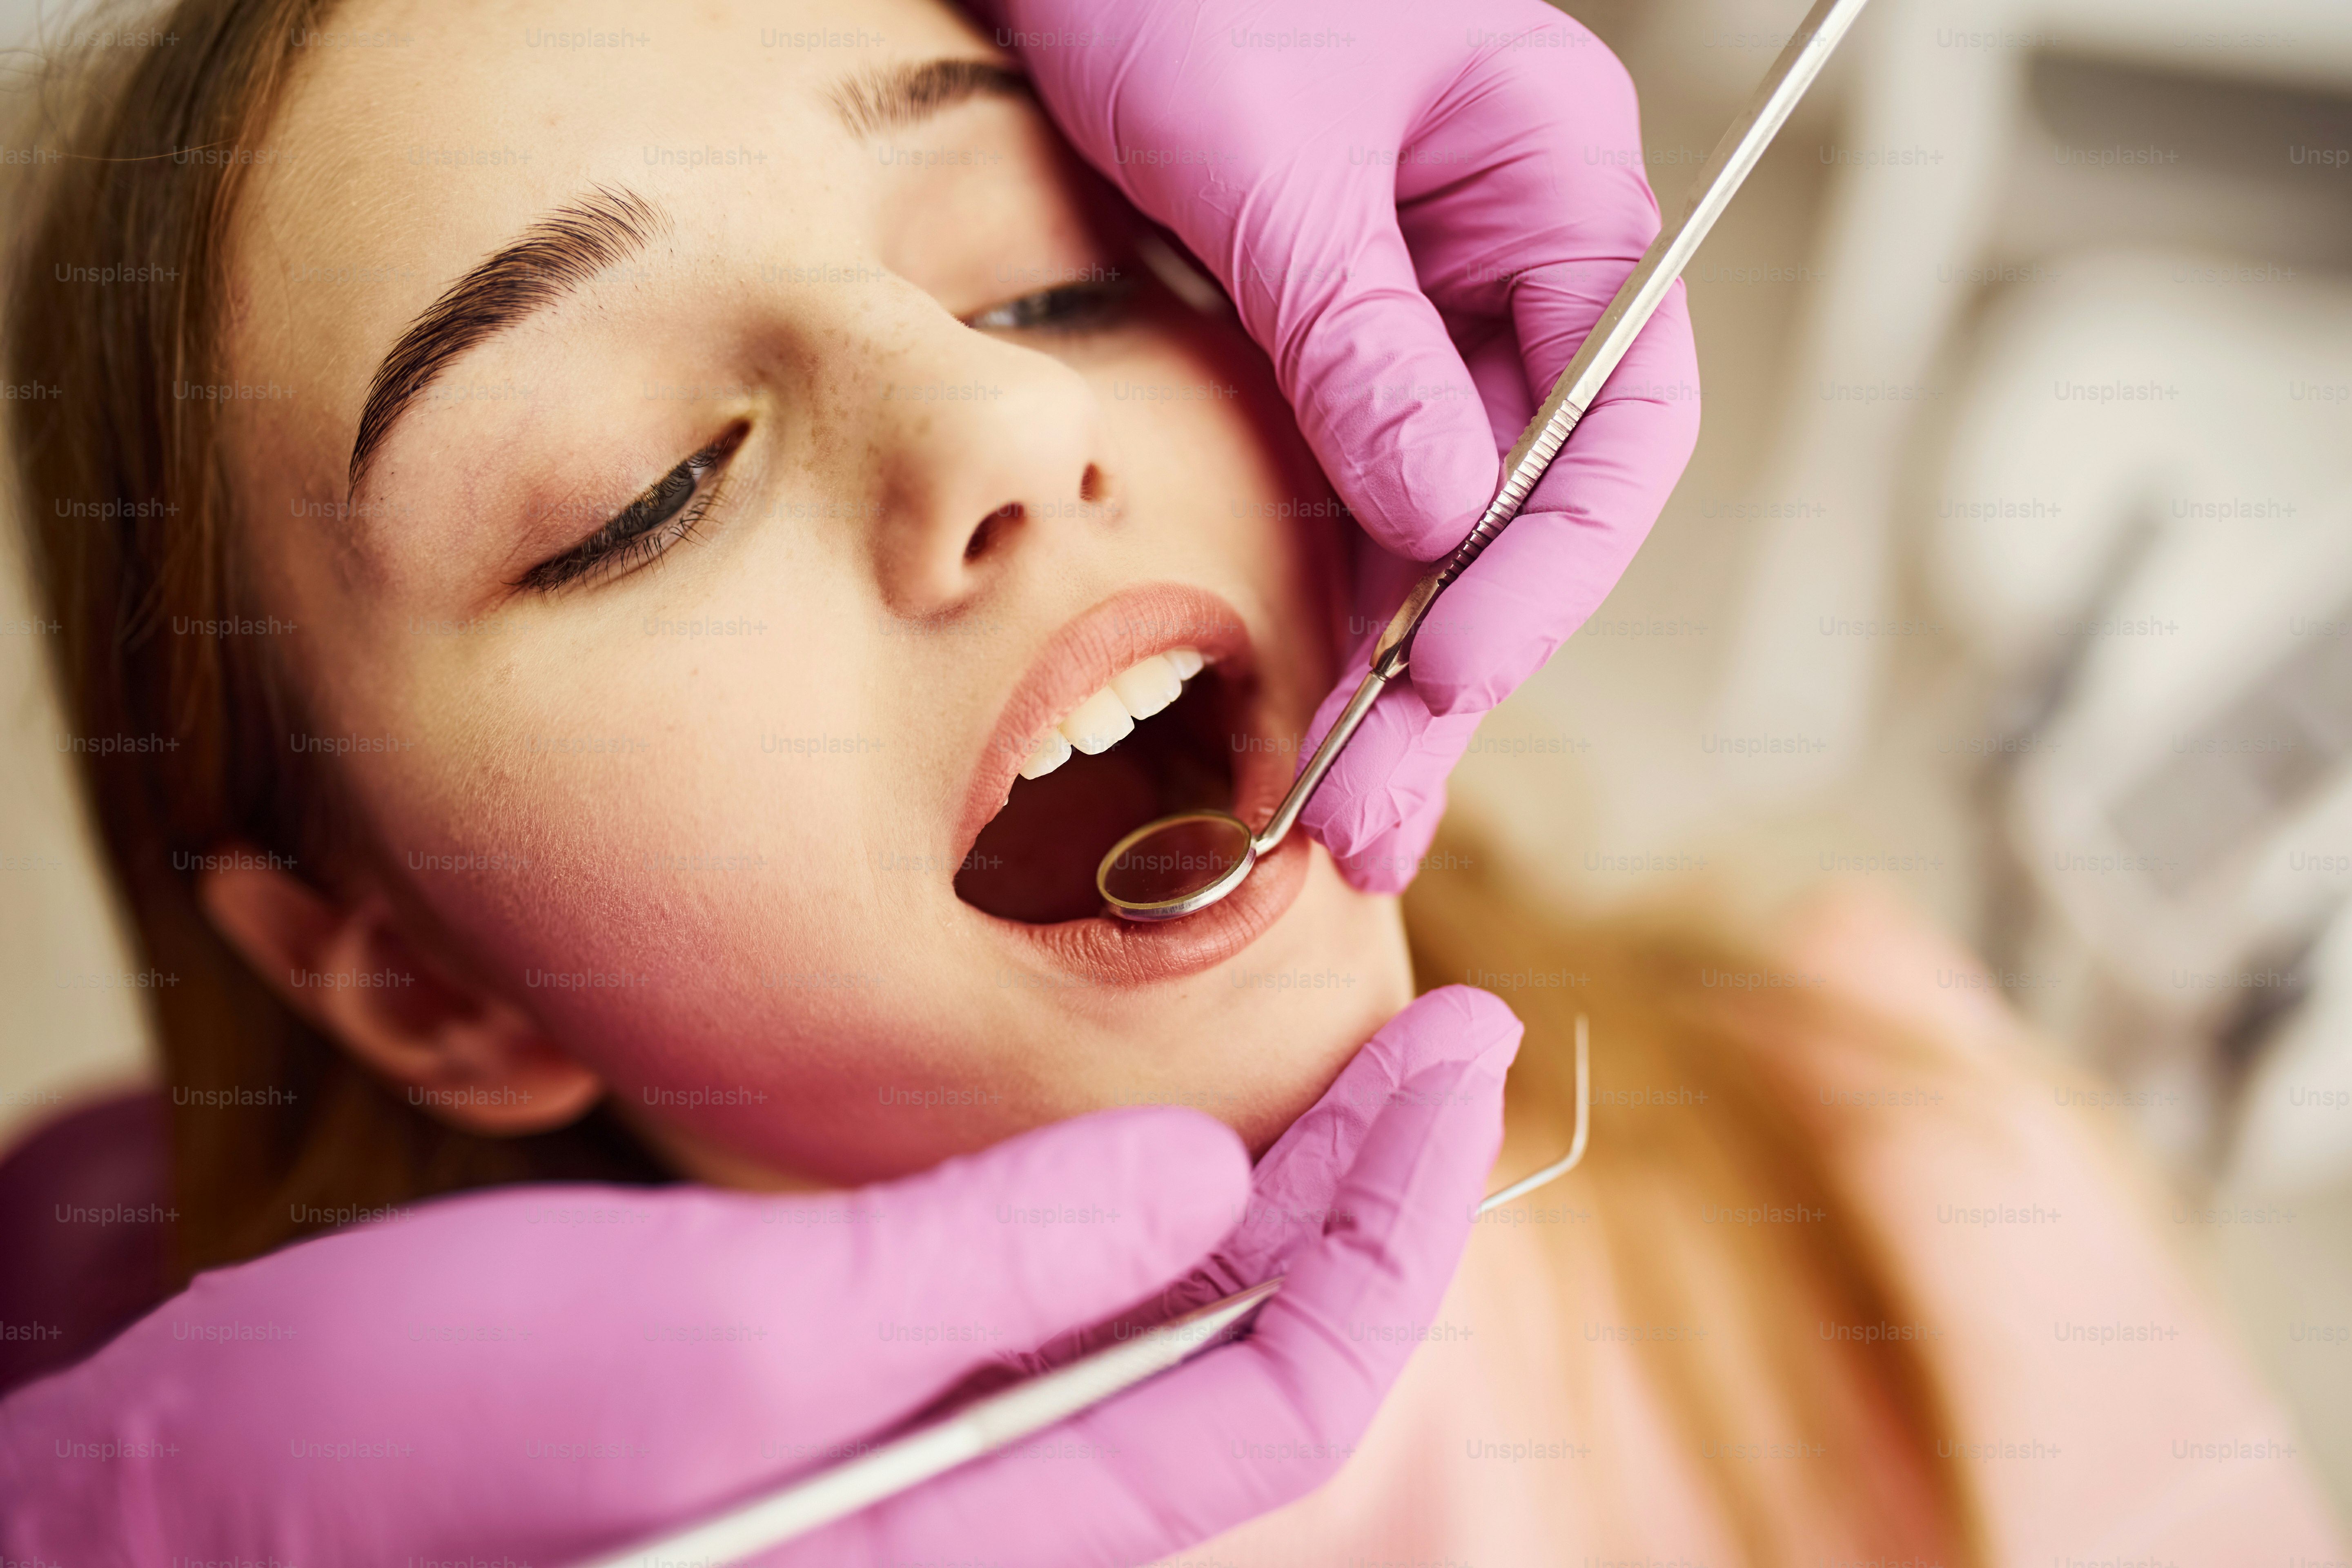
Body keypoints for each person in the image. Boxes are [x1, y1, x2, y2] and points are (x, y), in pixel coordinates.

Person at [0, 0, 2340, 1564]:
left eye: (1047, 280)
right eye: (642, 488)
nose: (1007, 420)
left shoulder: (1894, 1148)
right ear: (416, 980)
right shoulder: (148, 1435)